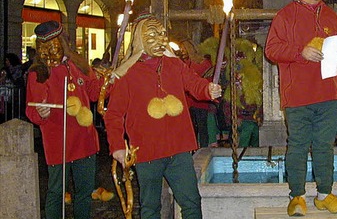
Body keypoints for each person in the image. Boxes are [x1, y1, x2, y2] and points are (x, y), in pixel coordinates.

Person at [103, 13, 222, 219]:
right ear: (140, 39)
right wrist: (117, 146)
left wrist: (208, 90)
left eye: (162, 34)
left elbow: (194, 84)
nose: (160, 39)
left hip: (179, 149)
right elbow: (113, 114)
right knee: (150, 207)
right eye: (152, 34)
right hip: (147, 151)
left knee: (192, 202)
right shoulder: (128, 75)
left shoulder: (175, 65)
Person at [265, 0, 337, 216]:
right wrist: (300, 52)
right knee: (297, 145)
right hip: (298, 96)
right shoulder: (284, 16)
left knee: (325, 146)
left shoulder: (331, 15)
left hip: (328, 94)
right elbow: (271, 50)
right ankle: (297, 196)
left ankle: (324, 194)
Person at [25, 21, 102, 219]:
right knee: (56, 192)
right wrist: (41, 113)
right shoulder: (39, 72)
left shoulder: (79, 64)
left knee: (84, 193)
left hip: (85, 140)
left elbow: (94, 94)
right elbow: (32, 107)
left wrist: (106, 82)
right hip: (58, 141)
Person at [179, 39, 214, 148]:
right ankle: (192, 147)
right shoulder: (185, 63)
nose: (182, 51)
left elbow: (207, 80)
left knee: (202, 126)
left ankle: (202, 148)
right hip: (188, 101)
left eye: (183, 49)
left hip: (201, 101)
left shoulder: (203, 63)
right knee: (192, 127)